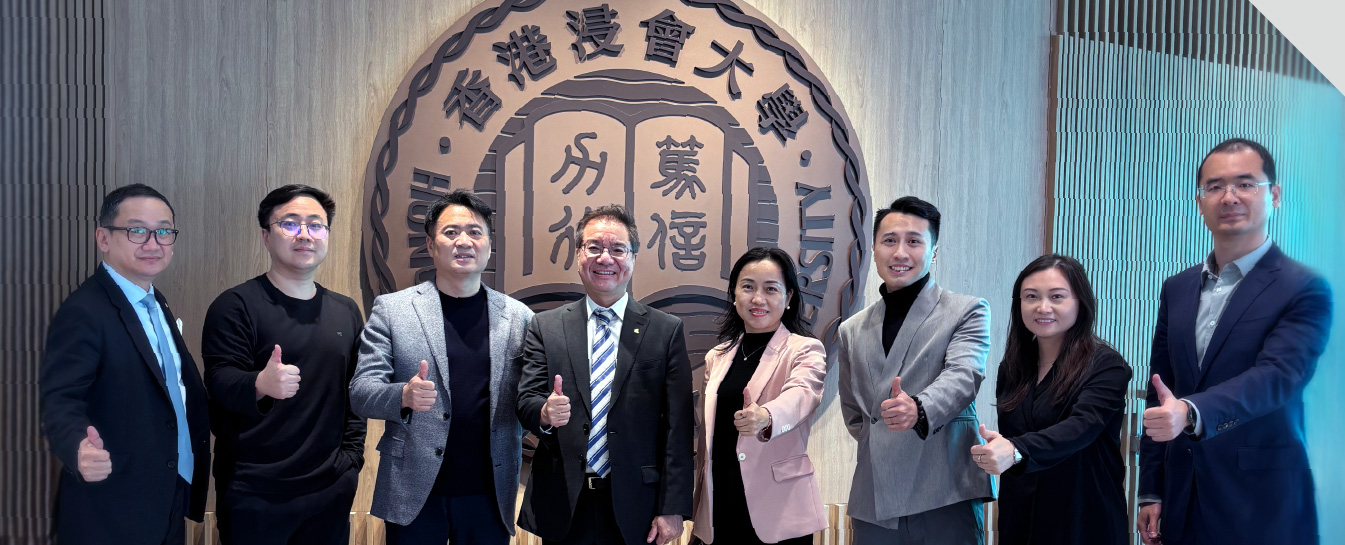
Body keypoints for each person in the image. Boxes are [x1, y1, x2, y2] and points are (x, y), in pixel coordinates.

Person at [1138, 138, 1332, 545]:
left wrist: (1191, 412)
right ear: (1200, 201)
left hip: (1262, 504)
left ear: (1274, 195)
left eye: (1245, 184)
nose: (1229, 197)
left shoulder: (1303, 287)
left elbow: (1277, 376)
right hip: (1183, 499)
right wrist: (1151, 490)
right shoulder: (1176, 288)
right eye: (1215, 186)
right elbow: (1161, 391)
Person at [350, 190, 535, 545]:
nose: (463, 241)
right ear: (431, 245)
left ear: (489, 246)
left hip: (489, 493)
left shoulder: (519, 317)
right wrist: (403, 395)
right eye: (451, 232)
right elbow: (361, 392)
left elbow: (528, 399)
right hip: (412, 490)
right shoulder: (392, 310)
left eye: (475, 232)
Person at [39, 184, 210, 545]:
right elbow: (59, 399)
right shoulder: (84, 310)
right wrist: (78, 448)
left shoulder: (154, 300)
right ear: (103, 238)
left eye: (163, 231)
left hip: (164, 493)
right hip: (112, 507)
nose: (153, 243)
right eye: (136, 230)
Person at [516, 204, 694, 545]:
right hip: (563, 502)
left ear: (633, 258)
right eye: (594, 247)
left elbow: (678, 427)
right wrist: (544, 412)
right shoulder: (546, 326)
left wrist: (673, 506)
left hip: (637, 505)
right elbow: (526, 401)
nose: (605, 258)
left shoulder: (665, 330)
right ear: (578, 255)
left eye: (618, 249)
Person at [201, 185, 366, 545]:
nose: (304, 234)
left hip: (330, 490)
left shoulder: (346, 311)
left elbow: (354, 393)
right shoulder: (235, 306)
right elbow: (218, 382)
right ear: (266, 235)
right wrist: (259, 384)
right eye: (290, 224)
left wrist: (351, 461)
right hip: (255, 492)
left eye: (316, 225)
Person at [836, 196, 993, 545]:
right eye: (889, 240)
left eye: (914, 241)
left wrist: (918, 409)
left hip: (944, 490)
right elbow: (855, 414)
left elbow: (964, 375)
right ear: (873, 249)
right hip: (874, 498)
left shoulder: (967, 311)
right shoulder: (851, 329)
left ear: (933, 252)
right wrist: (882, 440)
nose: (900, 253)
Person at [970, 254, 1130, 545]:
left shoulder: (1106, 365)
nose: (1043, 307)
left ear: (1080, 302)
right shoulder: (1013, 367)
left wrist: (1015, 450)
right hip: (1020, 520)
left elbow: (1081, 427)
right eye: (1031, 296)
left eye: (1057, 297)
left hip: (1083, 518)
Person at [690, 247, 827, 545]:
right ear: (734, 294)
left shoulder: (804, 349)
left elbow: (802, 394)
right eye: (748, 287)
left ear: (788, 298)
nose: (758, 299)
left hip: (779, 508)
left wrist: (767, 416)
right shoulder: (717, 357)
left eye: (771, 289)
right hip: (720, 503)